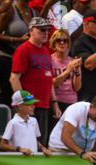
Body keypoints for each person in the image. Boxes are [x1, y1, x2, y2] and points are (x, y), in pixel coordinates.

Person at [10, 17, 62, 146]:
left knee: (40, 144)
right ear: (31, 30)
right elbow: (14, 78)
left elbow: (49, 80)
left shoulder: (45, 51)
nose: (46, 32)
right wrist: (24, 104)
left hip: (44, 106)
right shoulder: (23, 49)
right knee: (26, 145)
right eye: (42, 29)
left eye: (48, 30)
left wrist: (54, 103)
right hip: (29, 107)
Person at [48, 93, 96, 165]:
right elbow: (65, 137)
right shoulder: (76, 109)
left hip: (82, 154)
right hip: (60, 149)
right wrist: (82, 153)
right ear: (91, 107)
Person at [0, 0, 36, 106]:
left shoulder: (34, 12)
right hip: (7, 57)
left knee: (27, 94)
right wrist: (18, 40)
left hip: (24, 60)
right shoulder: (10, 10)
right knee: (11, 96)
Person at [0, 90, 51, 156]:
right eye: (29, 104)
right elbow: (2, 145)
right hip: (19, 162)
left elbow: (34, 140)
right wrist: (20, 149)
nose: (33, 106)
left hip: (33, 160)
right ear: (19, 106)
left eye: (33, 103)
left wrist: (43, 148)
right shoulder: (13, 123)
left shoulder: (34, 121)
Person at [50, 29, 82, 128]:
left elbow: (77, 88)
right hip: (56, 101)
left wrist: (76, 71)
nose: (62, 43)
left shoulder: (73, 61)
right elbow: (52, 83)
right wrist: (67, 71)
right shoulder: (50, 60)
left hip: (71, 102)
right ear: (54, 43)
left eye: (65, 40)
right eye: (59, 40)